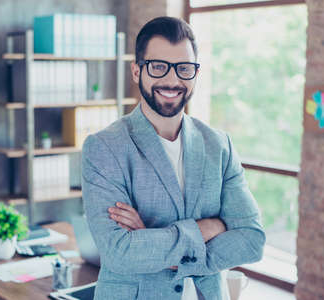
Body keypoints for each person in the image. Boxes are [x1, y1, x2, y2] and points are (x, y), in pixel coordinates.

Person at [82, 16, 265, 300]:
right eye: (158, 67)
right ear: (136, 71)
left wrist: (151, 242)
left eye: (184, 68)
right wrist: (211, 227)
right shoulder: (105, 147)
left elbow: (252, 240)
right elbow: (119, 253)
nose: (172, 80)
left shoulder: (219, 145)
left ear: (195, 72)